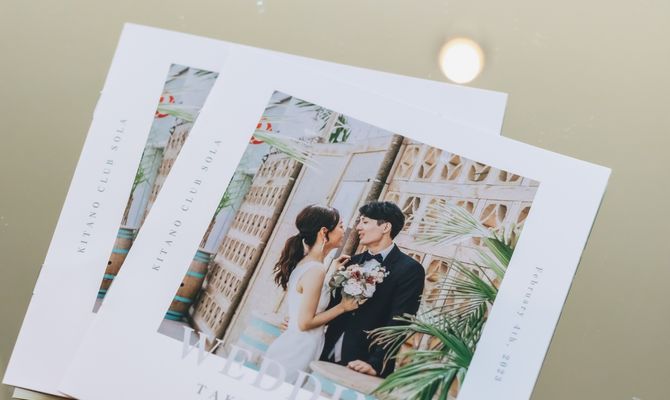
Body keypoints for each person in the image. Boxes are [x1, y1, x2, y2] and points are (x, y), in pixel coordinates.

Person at [320, 201, 425, 378]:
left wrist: (375, 363)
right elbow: (333, 306)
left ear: (385, 227)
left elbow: (400, 321)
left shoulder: (410, 270)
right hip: (325, 352)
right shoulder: (351, 262)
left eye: (365, 222)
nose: (358, 227)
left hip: (364, 364)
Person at [265, 204, 358, 382]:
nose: (344, 231)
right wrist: (343, 307)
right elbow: (305, 323)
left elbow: (306, 300)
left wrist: (332, 273)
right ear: (324, 232)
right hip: (297, 352)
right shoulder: (316, 270)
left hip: (296, 345)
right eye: (340, 226)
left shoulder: (309, 264)